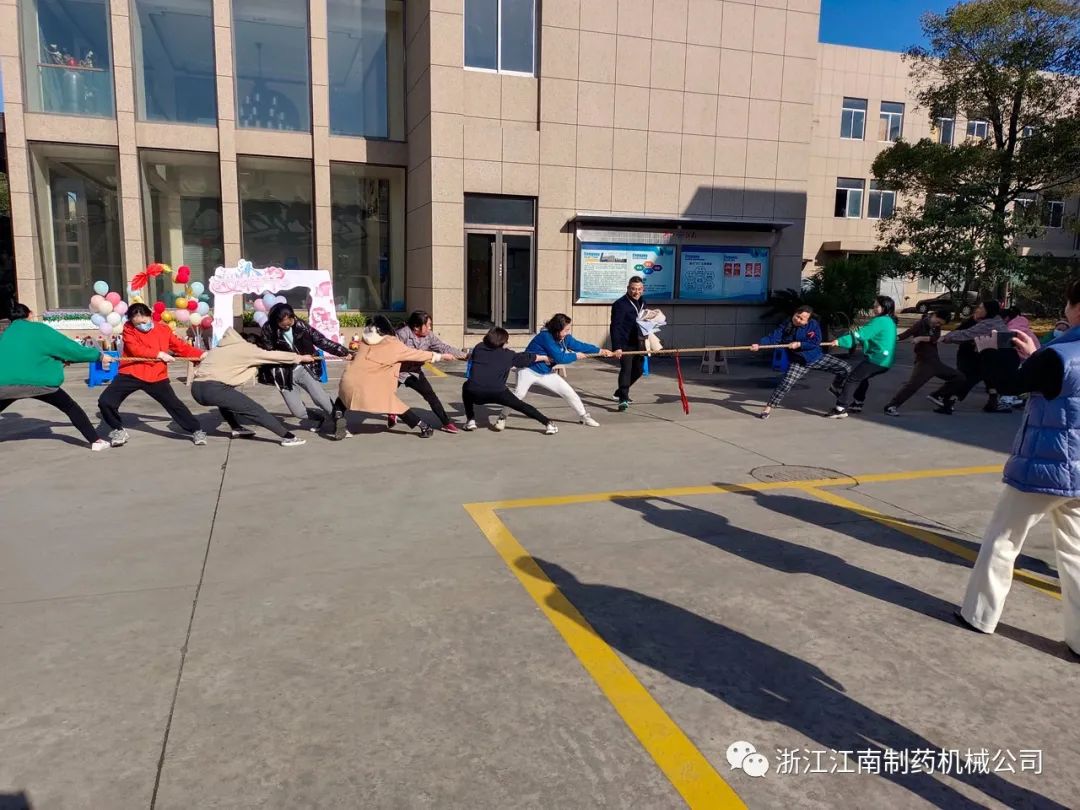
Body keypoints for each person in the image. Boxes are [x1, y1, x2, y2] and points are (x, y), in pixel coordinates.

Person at [956, 279, 1080, 658]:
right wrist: (1035, 357)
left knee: (1003, 540)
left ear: (1076, 307)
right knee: (1075, 553)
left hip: (1045, 466)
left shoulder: (1058, 355)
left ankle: (980, 614)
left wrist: (990, 351)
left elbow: (1010, 383)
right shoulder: (1053, 356)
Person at [0, 303, 113, 450]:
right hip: (39, 383)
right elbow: (69, 348)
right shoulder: (39, 329)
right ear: (30, 314)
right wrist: (99, 356)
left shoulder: (6, 334)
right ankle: (96, 441)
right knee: (70, 407)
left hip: (4, 384)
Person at [97, 303, 207, 446]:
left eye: (144, 322)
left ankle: (196, 430)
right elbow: (136, 349)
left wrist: (200, 354)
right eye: (137, 324)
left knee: (174, 404)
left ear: (150, 316)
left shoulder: (163, 329)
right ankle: (118, 429)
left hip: (156, 374)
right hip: (131, 372)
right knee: (105, 401)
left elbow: (179, 346)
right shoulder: (128, 329)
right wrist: (158, 354)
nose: (141, 326)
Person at [190, 327, 315, 447]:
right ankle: (288, 437)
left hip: (196, 388)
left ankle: (236, 428)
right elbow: (273, 356)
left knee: (225, 401)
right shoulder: (247, 348)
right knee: (255, 410)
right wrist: (300, 357)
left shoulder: (219, 348)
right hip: (214, 389)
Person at [332, 315, 446, 440]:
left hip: (348, 380)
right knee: (393, 404)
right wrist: (439, 356)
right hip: (370, 386)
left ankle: (338, 416)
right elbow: (416, 354)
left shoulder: (364, 341)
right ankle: (424, 426)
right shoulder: (393, 344)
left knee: (341, 399)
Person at [495, 313, 614, 430]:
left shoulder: (565, 338)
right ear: (557, 329)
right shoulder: (545, 337)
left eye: (568, 330)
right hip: (528, 370)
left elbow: (580, 346)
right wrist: (576, 356)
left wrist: (600, 351)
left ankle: (584, 416)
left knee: (568, 392)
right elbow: (559, 358)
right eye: (565, 330)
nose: (567, 332)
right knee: (519, 395)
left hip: (545, 372)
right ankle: (502, 417)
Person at [258, 302, 350, 433]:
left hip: (303, 369)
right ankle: (319, 419)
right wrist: (299, 357)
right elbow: (270, 355)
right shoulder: (268, 330)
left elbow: (321, 341)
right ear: (275, 322)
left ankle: (339, 424)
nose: (288, 326)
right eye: (284, 325)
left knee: (321, 399)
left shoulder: (301, 326)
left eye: (290, 322)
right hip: (283, 375)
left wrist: (343, 352)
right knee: (298, 412)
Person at [751, 305, 850, 419]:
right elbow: (773, 338)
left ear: (807, 320)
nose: (798, 320)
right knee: (786, 383)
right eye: (797, 316)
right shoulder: (786, 325)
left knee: (845, 368)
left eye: (802, 319)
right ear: (794, 313)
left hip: (816, 357)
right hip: (798, 362)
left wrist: (800, 344)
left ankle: (835, 387)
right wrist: (759, 345)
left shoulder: (813, 325)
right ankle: (768, 408)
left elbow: (815, 341)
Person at [461, 327, 557, 434]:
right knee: (521, 406)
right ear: (504, 342)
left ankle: (470, 420)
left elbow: (473, 357)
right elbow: (527, 357)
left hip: (475, 393)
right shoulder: (508, 355)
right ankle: (548, 424)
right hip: (498, 393)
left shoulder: (479, 348)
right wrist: (545, 358)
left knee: (466, 386)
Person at [928, 300, 1010, 414]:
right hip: (979, 356)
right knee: (976, 378)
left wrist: (947, 337)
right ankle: (946, 399)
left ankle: (943, 397)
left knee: (968, 378)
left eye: (981, 308)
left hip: (984, 357)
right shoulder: (992, 320)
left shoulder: (989, 324)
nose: (977, 310)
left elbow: (966, 334)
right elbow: (964, 331)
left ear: (988, 311)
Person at [394, 310, 466, 434]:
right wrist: (435, 357)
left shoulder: (429, 336)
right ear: (416, 327)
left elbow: (443, 347)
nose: (430, 328)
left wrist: (465, 355)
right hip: (396, 371)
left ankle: (446, 423)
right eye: (427, 325)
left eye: (430, 325)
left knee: (431, 396)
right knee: (386, 396)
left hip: (414, 372)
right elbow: (398, 354)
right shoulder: (401, 334)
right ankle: (392, 412)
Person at [826, 296, 898, 419]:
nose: (874, 308)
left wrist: (840, 341)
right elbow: (869, 335)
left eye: (877, 306)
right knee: (862, 378)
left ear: (885, 307)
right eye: (874, 305)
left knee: (852, 379)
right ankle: (857, 403)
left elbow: (861, 335)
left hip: (877, 359)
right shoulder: (889, 321)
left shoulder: (881, 321)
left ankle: (840, 408)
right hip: (884, 360)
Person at [882, 308, 962, 416]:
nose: (938, 325)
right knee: (912, 386)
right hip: (924, 362)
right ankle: (891, 406)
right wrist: (892, 338)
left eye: (940, 324)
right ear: (934, 315)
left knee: (959, 377)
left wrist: (920, 338)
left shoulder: (936, 327)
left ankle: (937, 395)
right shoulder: (920, 324)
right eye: (938, 322)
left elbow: (935, 338)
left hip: (936, 362)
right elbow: (906, 334)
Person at [610, 276, 647, 411]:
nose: (636, 292)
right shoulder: (620, 304)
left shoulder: (643, 302)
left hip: (639, 342)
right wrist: (617, 347)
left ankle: (620, 391)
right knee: (626, 370)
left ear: (642, 289)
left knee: (639, 370)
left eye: (639, 289)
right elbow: (615, 327)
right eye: (633, 289)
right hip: (625, 343)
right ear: (628, 288)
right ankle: (623, 399)